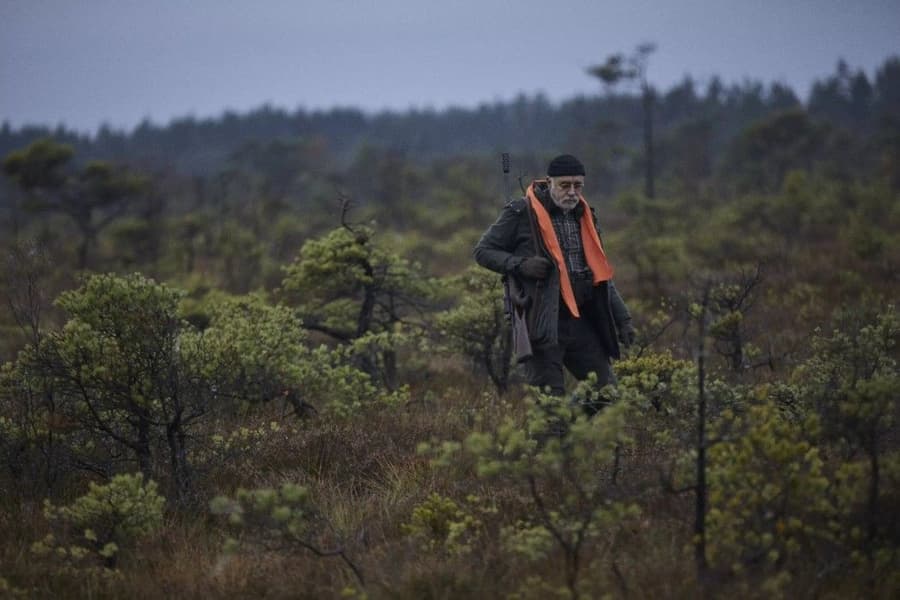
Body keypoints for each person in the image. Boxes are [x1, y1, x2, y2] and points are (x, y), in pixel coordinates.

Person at [474, 154, 634, 411]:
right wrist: (520, 265)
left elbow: (600, 273)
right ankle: (551, 442)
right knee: (549, 408)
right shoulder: (520, 212)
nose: (572, 192)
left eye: (578, 186)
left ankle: (571, 437)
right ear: (549, 182)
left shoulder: (586, 217)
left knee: (607, 396)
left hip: (582, 321)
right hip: (542, 322)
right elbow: (483, 251)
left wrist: (622, 319)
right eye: (565, 185)